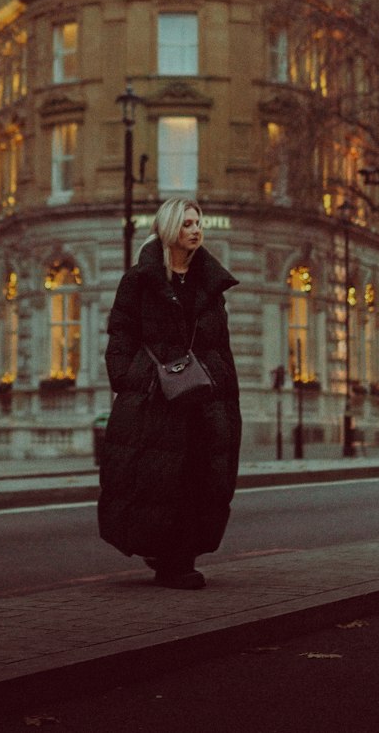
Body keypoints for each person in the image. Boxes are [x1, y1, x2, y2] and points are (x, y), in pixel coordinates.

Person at [98, 197, 241, 590]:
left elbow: (220, 343)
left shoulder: (209, 283)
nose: (196, 230)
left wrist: (223, 384)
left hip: (203, 397)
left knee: (200, 477)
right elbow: (121, 335)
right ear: (168, 229)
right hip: (156, 398)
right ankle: (168, 557)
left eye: (198, 223)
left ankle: (179, 556)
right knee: (159, 479)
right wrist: (129, 380)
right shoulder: (139, 280)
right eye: (187, 224)